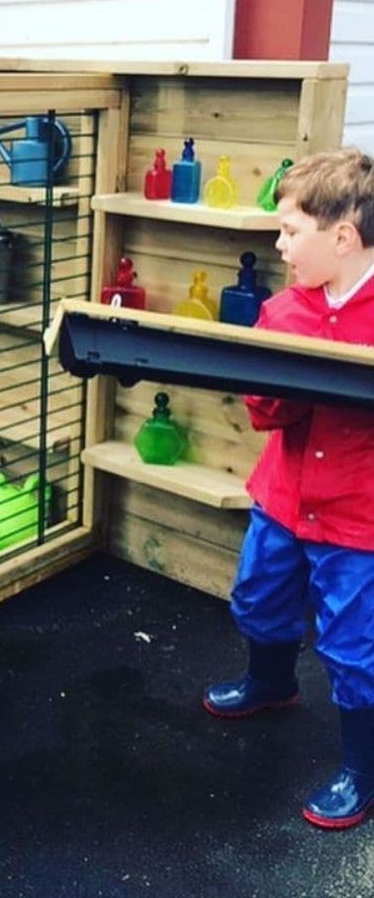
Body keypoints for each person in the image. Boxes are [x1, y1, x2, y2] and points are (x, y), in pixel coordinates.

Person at [202, 148, 374, 829]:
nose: (278, 245)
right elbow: (262, 412)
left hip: (358, 518)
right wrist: (285, 392)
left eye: (290, 230)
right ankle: (271, 684)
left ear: (342, 236)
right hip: (282, 500)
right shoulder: (282, 311)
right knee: (257, 596)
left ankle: (362, 771)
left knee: (354, 644)